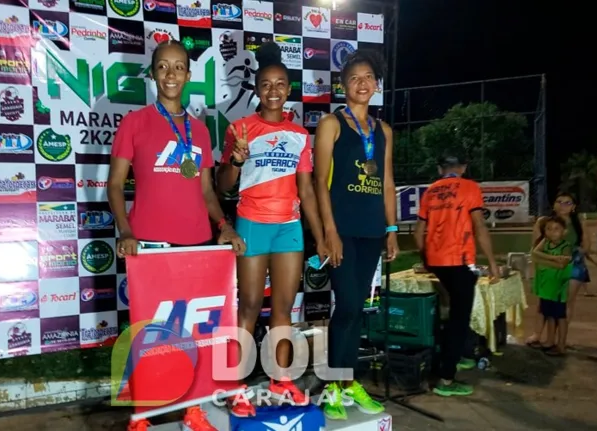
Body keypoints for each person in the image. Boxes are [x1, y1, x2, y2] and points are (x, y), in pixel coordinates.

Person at [107, 40, 246, 431]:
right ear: (152, 74)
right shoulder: (133, 123)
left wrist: (224, 226)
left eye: (179, 67)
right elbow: (115, 185)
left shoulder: (200, 130)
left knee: (194, 336)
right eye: (163, 67)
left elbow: (205, 191)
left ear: (188, 74)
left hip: (196, 246)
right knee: (149, 334)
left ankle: (193, 409)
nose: (171, 74)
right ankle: (143, 415)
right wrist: (127, 231)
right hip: (149, 248)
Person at [216, 42, 328, 416]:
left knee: (283, 309)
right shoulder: (240, 128)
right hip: (252, 223)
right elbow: (223, 186)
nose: (274, 90)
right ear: (257, 89)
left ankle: (282, 380)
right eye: (266, 84)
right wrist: (235, 159)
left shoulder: (300, 135)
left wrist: (321, 234)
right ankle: (237, 385)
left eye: (280, 84)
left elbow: (307, 190)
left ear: (288, 89)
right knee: (248, 307)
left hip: (289, 228)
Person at [312, 50, 398, 419]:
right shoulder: (331, 124)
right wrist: (329, 230)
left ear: (376, 84)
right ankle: (335, 382)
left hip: (372, 230)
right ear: (343, 86)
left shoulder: (384, 130)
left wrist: (391, 229)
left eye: (368, 78)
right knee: (346, 305)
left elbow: (387, 182)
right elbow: (319, 181)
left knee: (356, 307)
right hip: (342, 229)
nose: (362, 84)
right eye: (354, 78)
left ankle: (347, 383)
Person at [414, 153, 500, 397]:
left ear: (441, 168)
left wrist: (426, 258)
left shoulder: (430, 191)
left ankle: (455, 356)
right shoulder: (470, 187)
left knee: (453, 310)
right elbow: (479, 226)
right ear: (462, 167)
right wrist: (492, 262)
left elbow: (418, 232)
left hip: (438, 261)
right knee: (459, 319)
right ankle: (446, 379)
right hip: (459, 261)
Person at [526, 192, 591, 351]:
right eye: (560, 201)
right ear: (554, 204)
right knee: (545, 302)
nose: (563, 205)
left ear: (574, 207)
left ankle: (560, 339)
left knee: (565, 302)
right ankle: (539, 335)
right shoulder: (543, 222)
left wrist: (570, 254)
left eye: (568, 203)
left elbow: (586, 246)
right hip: (548, 266)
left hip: (572, 265)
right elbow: (535, 246)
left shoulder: (579, 222)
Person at [530, 216, 573, 356]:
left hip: (558, 289)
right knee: (548, 315)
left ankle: (561, 345)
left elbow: (562, 265)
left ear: (564, 231)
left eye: (556, 229)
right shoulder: (546, 242)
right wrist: (553, 258)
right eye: (548, 229)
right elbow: (534, 253)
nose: (552, 232)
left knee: (560, 317)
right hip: (546, 288)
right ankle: (549, 341)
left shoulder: (566, 246)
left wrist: (544, 260)